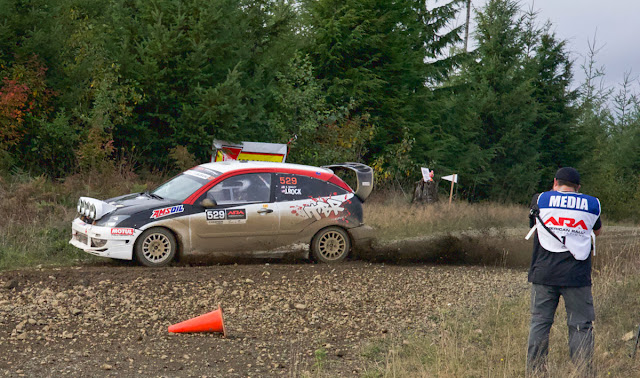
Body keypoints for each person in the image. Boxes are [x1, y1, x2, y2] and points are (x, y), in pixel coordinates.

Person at [526, 167, 602, 374]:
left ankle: (535, 372)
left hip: (543, 273)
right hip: (576, 276)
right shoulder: (592, 203)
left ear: (555, 182)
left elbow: (533, 224)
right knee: (580, 325)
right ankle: (582, 371)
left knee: (540, 323)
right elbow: (597, 230)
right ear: (578, 187)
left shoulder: (540, 199)